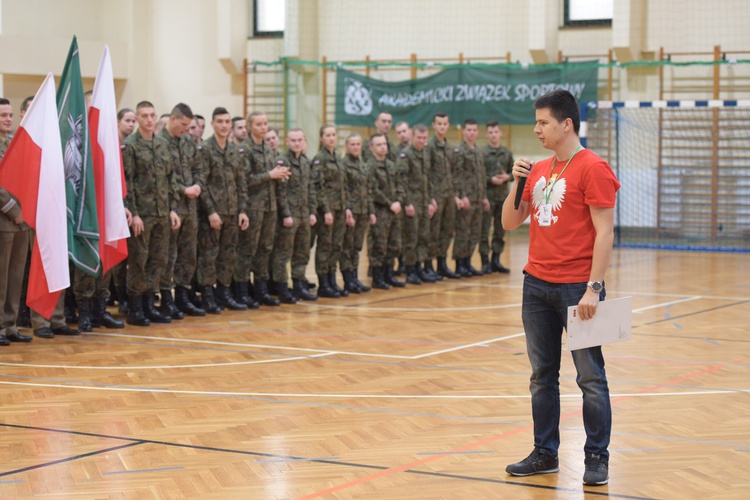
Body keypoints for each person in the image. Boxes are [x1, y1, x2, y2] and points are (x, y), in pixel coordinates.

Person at [501, 89, 620, 487]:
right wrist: (514, 184)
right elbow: (509, 222)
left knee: (590, 378)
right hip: (536, 285)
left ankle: (597, 457)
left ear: (565, 124)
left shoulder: (593, 167)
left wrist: (593, 288)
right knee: (542, 375)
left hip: (577, 288)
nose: (536, 129)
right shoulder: (537, 169)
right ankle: (545, 452)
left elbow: (605, 233)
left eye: (543, 122)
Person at [122, 101, 181, 326]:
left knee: (158, 259)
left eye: (152, 115)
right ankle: (135, 307)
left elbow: (170, 178)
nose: (149, 119)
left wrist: (173, 209)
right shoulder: (130, 145)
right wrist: (134, 213)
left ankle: (149, 303)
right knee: (139, 260)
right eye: (144, 116)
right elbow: (128, 182)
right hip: (142, 215)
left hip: (162, 213)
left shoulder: (163, 145)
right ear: (137, 119)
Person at [196, 107, 249, 314]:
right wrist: (210, 211)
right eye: (220, 121)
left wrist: (242, 210)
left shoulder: (235, 150)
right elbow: (202, 183)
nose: (224, 125)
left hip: (233, 211)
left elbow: (241, 182)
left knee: (229, 254)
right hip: (213, 214)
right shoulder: (206, 149)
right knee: (209, 255)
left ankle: (224, 293)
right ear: (212, 124)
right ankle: (208, 295)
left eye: (227, 121)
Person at [234, 111, 290, 307]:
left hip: (270, 206)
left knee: (265, 249)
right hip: (253, 207)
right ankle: (241, 291)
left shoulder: (268, 149)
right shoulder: (245, 150)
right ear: (250, 127)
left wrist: (280, 175)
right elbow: (244, 180)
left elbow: (271, 177)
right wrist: (270, 174)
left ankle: (261, 290)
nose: (263, 127)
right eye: (259, 124)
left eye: (265, 123)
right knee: (248, 249)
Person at [156, 103, 206, 318]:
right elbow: (161, 178)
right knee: (169, 254)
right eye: (184, 125)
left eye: (189, 125)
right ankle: (166, 297)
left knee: (188, 253)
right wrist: (183, 189)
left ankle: (183, 297)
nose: (187, 129)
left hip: (190, 207)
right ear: (173, 119)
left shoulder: (187, 142)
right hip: (170, 207)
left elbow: (199, 167)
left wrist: (197, 185)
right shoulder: (159, 143)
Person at [271, 128, 318, 302]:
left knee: (302, 252)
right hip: (289, 217)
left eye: (300, 140)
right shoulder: (282, 162)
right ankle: (282, 288)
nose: (297, 143)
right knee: (283, 254)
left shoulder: (305, 162)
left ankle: (299, 285)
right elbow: (280, 192)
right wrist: (285, 214)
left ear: (304, 141)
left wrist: (312, 212)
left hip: (304, 214)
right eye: (293, 140)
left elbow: (310, 189)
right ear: (287, 142)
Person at [0, 97, 33, 344]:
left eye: (10, 115)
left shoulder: (14, 143)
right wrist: (14, 211)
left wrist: (28, 210)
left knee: (16, 275)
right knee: (1, 276)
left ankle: (10, 325)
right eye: (3, 115)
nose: (9, 119)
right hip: (5, 219)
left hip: (23, 220)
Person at [311, 124, 348, 298]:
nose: (331, 138)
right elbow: (319, 187)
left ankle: (332, 279)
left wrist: (346, 207)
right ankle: (323, 283)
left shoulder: (338, 158)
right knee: (325, 246)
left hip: (340, 208)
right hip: (328, 210)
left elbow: (343, 186)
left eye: (334, 134)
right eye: (328, 135)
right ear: (321, 138)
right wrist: (325, 210)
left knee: (336, 245)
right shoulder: (320, 159)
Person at [397, 124, 436, 285]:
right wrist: (407, 203)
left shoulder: (426, 153)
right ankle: (410, 269)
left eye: (425, 138)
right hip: (412, 203)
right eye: (419, 138)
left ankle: (419, 267)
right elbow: (401, 181)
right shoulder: (406, 155)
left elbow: (428, 178)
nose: (422, 141)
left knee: (423, 237)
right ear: (412, 136)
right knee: (411, 238)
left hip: (424, 202)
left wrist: (431, 200)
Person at [366, 133, 405, 289]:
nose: (383, 147)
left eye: (384, 144)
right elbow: (373, 190)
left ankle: (389, 274)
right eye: (379, 144)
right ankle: (378, 277)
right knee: (379, 245)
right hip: (380, 210)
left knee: (394, 244)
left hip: (394, 211)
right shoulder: (369, 166)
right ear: (371, 147)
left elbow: (401, 185)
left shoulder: (391, 165)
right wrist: (390, 203)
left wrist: (399, 201)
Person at [452, 118, 489, 277]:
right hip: (466, 199)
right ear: (464, 131)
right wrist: (462, 195)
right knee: (463, 232)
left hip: (478, 199)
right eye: (469, 130)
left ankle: (467, 262)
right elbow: (457, 175)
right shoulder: (460, 150)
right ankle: (459, 264)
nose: (472, 133)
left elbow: (481, 176)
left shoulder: (478, 151)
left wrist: (484, 197)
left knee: (474, 233)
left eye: (474, 130)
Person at [426, 112, 460, 279]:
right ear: (433, 125)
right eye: (439, 123)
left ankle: (442, 264)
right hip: (436, 196)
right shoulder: (430, 146)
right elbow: (426, 173)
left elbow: (452, 173)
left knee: (447, 230)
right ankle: (428, 265)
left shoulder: (449, 147)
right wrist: (430, 197)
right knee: (433, 231)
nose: (442, 127)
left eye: (445, 124)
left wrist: (455, 195)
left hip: (449, 195)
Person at [480, 120, 513, 274]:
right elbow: (478, 175)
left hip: (502, 198)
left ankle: (496, 260)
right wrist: (490, 179)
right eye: (490, 132)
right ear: (487, 135)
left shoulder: (506, 153)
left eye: (496, 132)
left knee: (500, 229)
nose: (493, 135)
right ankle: (485, 261)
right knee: (484, 229)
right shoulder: (482, 153)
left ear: (500, 133)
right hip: (487, 197)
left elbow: (514, 172)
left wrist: (507, 177)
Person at [340, 133, 371, 294]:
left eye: (358, 144)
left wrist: (370, 211)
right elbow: (343, 190)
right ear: (346, 146)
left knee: (357, 246)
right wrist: (347, 210)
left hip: (363, 210)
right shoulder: (344, 165)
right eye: (352, 144)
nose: (356, 147)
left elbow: (367, 189)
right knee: (347, 246)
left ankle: (354, 277)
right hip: (351, 211)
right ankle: (348, 280)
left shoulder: (362, 164)